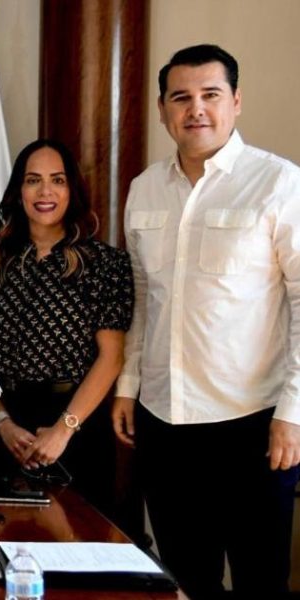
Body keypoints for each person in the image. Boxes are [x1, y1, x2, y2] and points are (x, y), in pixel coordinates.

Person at [113, 44, 300, 599]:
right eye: (181, 97)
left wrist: (293, 413)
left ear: (235, 101)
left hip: (253, 421)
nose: (195, 109)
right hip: (163, 419)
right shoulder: (145, 187)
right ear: (162, 109)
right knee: (185, 578)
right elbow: (144, 297)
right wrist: (128, 386)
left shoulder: (279, 182)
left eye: (210, 95)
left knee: (260, 581)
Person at [0, 139, 133, 517]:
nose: (45, 191)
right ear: (19, 191)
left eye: (57, 180)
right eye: (33, 180)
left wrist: (63, 429)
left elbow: (111, 358)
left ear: (71, 190)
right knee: (2, 538)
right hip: (5, 426)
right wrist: (2, 422)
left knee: (77, 541)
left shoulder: (105, 264)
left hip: (77, 424)